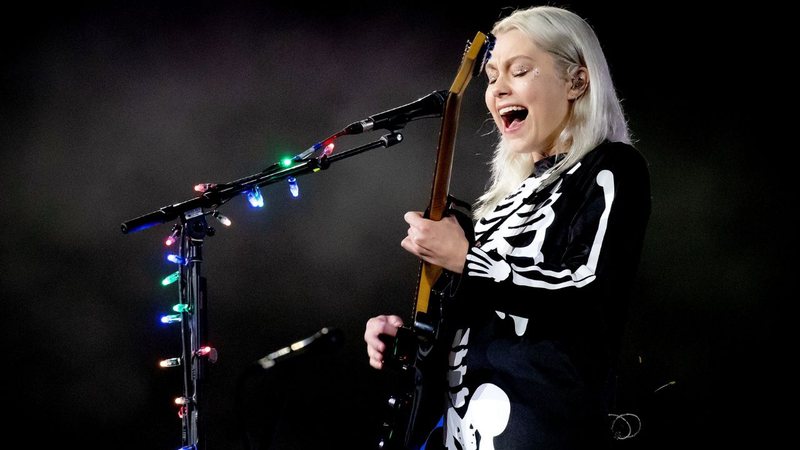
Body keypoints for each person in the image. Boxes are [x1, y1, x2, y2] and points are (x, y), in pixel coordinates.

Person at [364, 5, 651, 450]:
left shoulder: (611, 168)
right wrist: (408, 339)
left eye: (519, 71)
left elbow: (587, 293)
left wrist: (465, 260)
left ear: (577, 80)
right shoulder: (498, 206)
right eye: (492, 75)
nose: (498, 90)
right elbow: (475, 322)